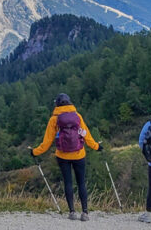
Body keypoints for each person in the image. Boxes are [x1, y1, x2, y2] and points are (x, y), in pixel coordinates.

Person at [31, 93, 100, 221]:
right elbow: (86, 135)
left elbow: (47, 142)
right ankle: (85, 213)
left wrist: (35, 152)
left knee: (68, 182)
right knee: (81, 183)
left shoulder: (54, 119)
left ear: (57, 104)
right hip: (79, 154)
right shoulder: (77, 116)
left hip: (62, 156)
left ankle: (72, 212)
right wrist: (96, 146)